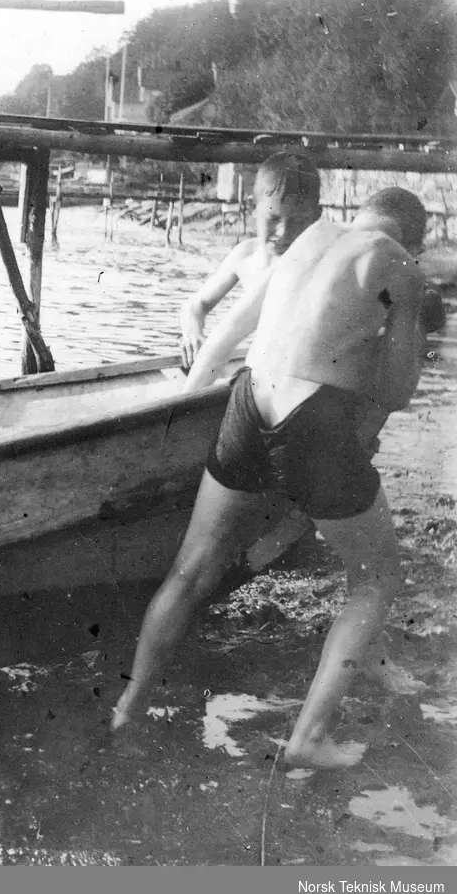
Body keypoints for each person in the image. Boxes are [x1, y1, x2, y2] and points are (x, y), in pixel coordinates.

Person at [112, 187, 432, 770]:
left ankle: (128, 706)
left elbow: (228, 333)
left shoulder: (309, 240)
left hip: (248, 398)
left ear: (360, 212)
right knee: (377, 577)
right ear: (416, 235)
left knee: (190, 570)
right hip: (312, 416)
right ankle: (309, 738)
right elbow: (397, 391)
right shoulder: (400, 262)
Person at [178, 152, 322, 371]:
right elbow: (196, 304)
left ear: (316, 216)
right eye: (273, 219)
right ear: (253, 208)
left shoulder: (321, 260)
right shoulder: (245, 255)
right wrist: (193, 332)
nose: (283, 232)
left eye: (298, 221)